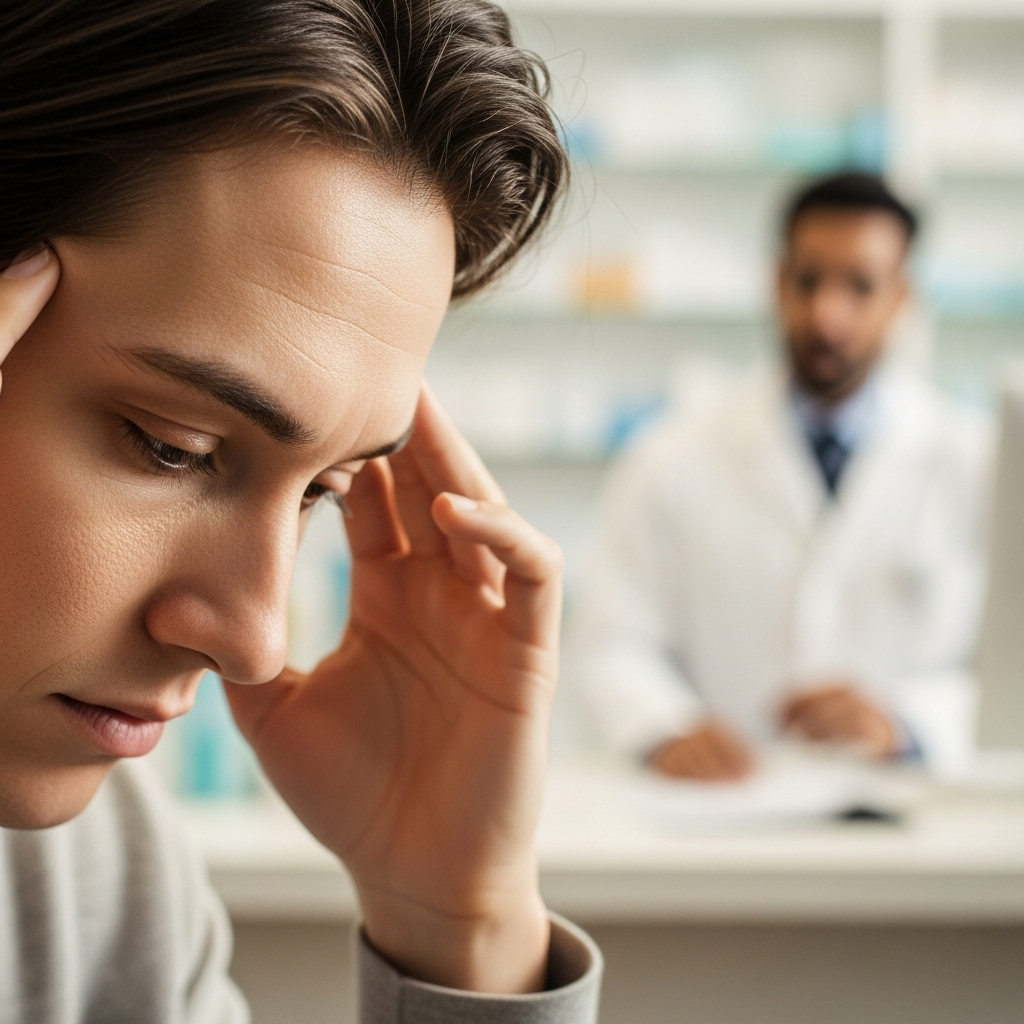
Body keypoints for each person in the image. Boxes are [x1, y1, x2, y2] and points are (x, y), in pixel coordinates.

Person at [0, 2, 603, 1021]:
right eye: (170, 447)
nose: (254, 640)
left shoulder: (100, 872)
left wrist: (460, 926)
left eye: (324, 491)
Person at [571, 173, 991, 781]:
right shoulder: (671, 455)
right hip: (724, 818)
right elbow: (610, 639)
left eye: (861, 286)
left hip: (909, 820)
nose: (828, 315)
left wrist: (908, 723)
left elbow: (1004, 671)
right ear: (776, 282)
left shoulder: (973, 460)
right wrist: (665, 723)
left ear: (902, 299)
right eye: (809, 280)